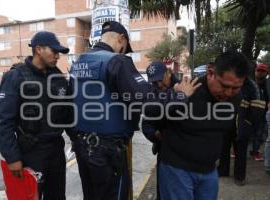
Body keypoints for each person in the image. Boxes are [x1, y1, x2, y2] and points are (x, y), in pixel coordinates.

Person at [68, 21, 200, 200]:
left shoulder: (79, 62)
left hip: (83, 147)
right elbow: (144, 101)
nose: (123, 51)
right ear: (121, 39)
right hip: (108, 151)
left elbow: (69, 105)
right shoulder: (117, 61)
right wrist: (180, 96)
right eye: (125, 47)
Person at [151, 51, 250, 200]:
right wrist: (174, 98)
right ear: (210, 73)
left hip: (209, 172)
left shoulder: (236, 97)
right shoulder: (186, 91)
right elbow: (151, 117)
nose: (229, 93)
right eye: (224, 86)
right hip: (177, 171)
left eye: (236, 88)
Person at [0, 31, 72, 200]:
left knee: (57, 196)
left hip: (56, 150)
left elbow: (66, 113)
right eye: (54, 51)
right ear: (38, 49)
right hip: (31, 151)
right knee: (28, 197)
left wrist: (76, 140)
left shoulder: (58, 77)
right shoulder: (16, 76)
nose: (58, 56)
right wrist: (12, 157)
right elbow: (4, 122)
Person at [141, 61, 179, 200]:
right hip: (164, 150)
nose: (158, 85)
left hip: (183, 151)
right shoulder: (152, 93)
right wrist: (155, 134)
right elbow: (146, 123)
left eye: (160, 80)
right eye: (154, 82)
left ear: (168, 73)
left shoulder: (182, 88)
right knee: (163, 191)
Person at [251, 64, 269, 161]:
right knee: (243, 133)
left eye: (263, 71)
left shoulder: (268, 84)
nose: (260, 73)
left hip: (263, 114)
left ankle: (255, 152)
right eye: (259, 71)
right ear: (255, 72)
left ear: (267, 73)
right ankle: (236, 151)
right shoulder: (250, 84)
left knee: (260, 134)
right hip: (249, 112)